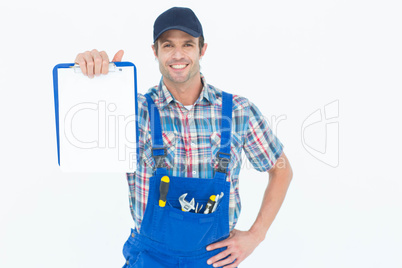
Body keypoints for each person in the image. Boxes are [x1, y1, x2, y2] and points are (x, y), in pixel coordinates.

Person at [74, 7, 293, 268]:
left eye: (187, 44)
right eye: (168, 45)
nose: (178, 54)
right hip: (149, 258)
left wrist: (256, 236)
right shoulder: (132, 111)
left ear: (202, 49)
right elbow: (77, 140)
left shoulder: (237, 110)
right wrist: (93, 78)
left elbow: (281, 171)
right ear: (155, 52)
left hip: (214, 259)